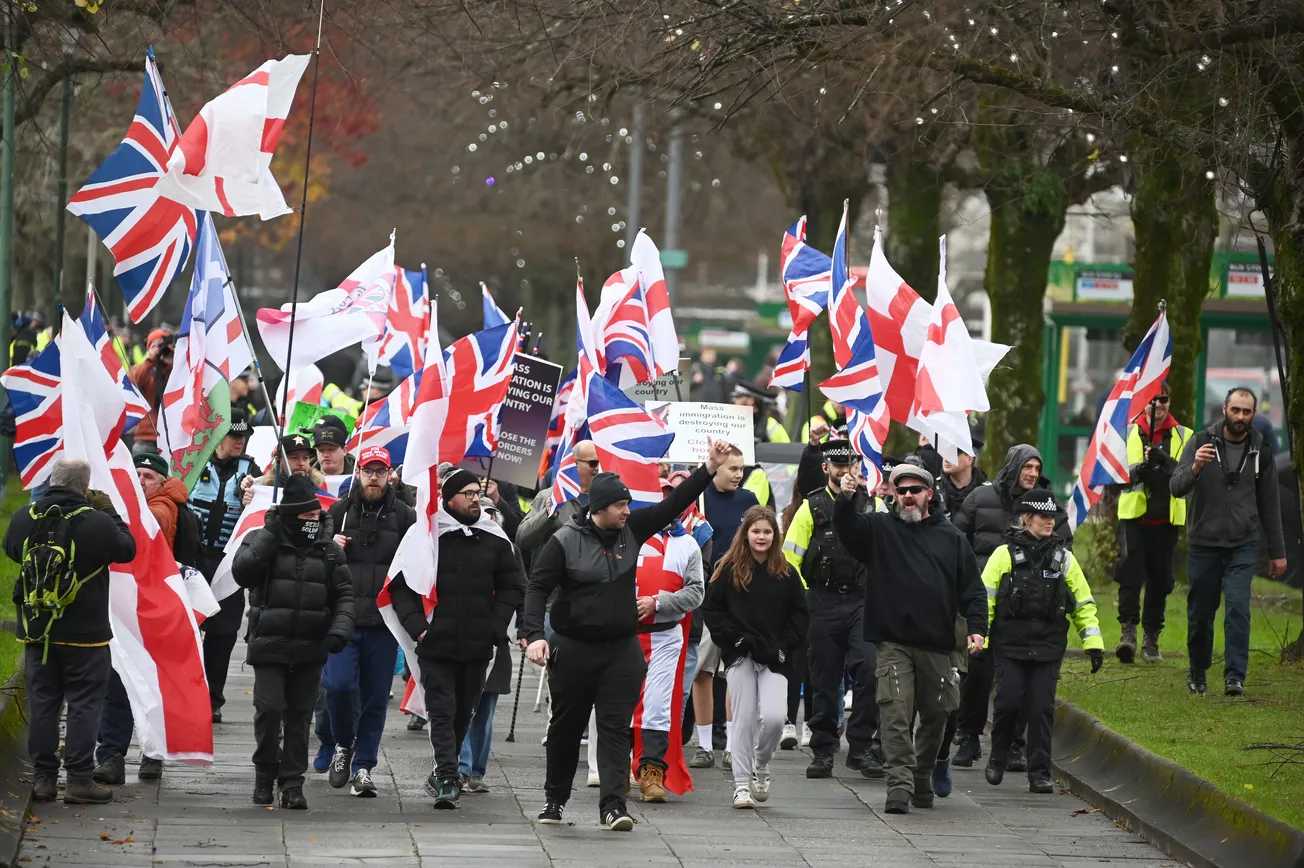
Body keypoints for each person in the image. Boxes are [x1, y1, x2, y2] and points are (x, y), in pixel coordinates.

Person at [522, 440, 731, 832]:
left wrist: (709, 467)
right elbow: (536, 587)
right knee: (565, 728)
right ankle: (555, 799)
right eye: (620, 505)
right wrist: (534, 634)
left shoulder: (631, 529)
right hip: (573, 648)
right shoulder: (564, 540)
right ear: (599, 509)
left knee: (617, 727)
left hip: (621, 649)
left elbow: (672, 505)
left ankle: (613, 806)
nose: (627, 510)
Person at [833, 463, 987, 815]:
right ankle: (898, 786)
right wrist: (846, 497)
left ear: (928, 495)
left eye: (915, 490)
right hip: (893, 644)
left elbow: (973, 591)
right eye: (901, 490)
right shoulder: (878, 529)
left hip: (938, 646)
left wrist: (978, 628)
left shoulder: (951, 538)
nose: (907, 496)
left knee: (937, 716)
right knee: (895, 716)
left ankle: (922, 774)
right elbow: (847, 528)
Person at [386, 468, 525, 809]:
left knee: (465, 711)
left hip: (478, 643)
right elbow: (399, 586)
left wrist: (496, 625)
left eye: (478, 493)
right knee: (442, 710)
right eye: (468, 494)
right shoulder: (427, 537)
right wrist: (418, 627)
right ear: (449, 499)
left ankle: (442, 773)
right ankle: (448, 776)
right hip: (436, 642)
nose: (476, 499)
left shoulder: (494, 538)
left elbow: (513, 584)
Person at [3, 457, 137, 805]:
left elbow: (10, 549)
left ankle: (44, 779)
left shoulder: (24, 519)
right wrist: (108, 511)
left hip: (37, 632)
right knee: (83, 705)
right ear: (84, 486)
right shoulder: (95, 522)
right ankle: (79, 780)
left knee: (44, 704)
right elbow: (127, 549)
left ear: (53, 480)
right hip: (86, 635)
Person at [232, 474, 355, 810]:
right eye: (306, 518)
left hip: (310, 646)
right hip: (269, 643)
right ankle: (264, 772)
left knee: (300, 717)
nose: (313, 523)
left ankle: (292, 782)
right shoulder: (262, 539)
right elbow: (242, 573)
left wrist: (340, 629)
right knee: (269, 710)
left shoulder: (329, 551)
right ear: (290, 516)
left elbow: (344, 594)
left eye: (316, 517)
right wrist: (270, 536)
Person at [950, 444, 1069, 769]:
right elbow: (957, 540)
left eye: (1036, 467)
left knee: (1018, 684)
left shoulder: (1046, 504)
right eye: (1026, 466)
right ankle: (969, 736)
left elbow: (1064, 546)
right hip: (983, 601)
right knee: (977, 673)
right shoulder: (980, 498)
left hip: (1027, 609)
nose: (1031, 473)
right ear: (1013, 466)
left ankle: (1013, 744)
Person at [982, 489, 1104, 792]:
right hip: (1010, 646)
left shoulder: (1064, 559)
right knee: (1008, 704)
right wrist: (980, 640)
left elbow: (1084, 603)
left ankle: (1039, 773)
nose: (1050, 522)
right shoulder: (1003, 555)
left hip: (1048, 648)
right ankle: (998, 756)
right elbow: (985, 601)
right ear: (1027, 519)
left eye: (1053, 517)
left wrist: (1093, 644)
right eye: (1044, 516)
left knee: (1041, 709)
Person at [1170, 387, 1286, 696]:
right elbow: (1175, 487)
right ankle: (1198, 670)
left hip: (1242, 543)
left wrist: (1277, 552)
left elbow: (1269, 504)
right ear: (1225, 409)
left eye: (1247, 412)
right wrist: (1195, 467)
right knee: (1200, 612)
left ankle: (1235, 676)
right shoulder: (1199, 442)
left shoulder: (1260, 450)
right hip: (1203, 542)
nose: (1240, 417)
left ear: (1253, 414)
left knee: (1238, 608)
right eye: (1235, 410)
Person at [781, 439, 881, 780]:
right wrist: (802, 603)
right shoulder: (811, 508)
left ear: (859, 468)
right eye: (838, 466)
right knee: (823, 678)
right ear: (827, 469)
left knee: (870, 668)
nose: (844, 471)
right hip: (822, 601)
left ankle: (862, 747)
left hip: (863, 600)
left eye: (850, 465)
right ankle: (823, 750)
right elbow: (790, 560)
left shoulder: (874, 505)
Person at [322, 446, 416, 797]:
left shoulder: (406, 516)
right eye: (367, 470)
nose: (373, 477)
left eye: (380, 471)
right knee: (338, 687)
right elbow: (318, 560)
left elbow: (415, 567)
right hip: (343, 619)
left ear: (390, 474)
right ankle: (343, 745)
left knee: (376, 698)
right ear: (358, 472)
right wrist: (330, 545)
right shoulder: (339, 511)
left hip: (384, 621)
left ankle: (363, 767)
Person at [93, 452, 191, 786]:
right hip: (123, 611)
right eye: (136, 473)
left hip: (162, 615)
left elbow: (192, 566)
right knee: (117, 683)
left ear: (163, 482)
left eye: (148, 476)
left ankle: (153, 755)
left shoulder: (178, 515)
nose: (140, 480)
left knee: (155, 686)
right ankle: (110, 756)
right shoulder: (115, 514)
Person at [703, 506, 809, 809]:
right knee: (744, 718)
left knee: (776, 718)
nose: (761, 536)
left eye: (767, 531)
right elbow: (713, 609)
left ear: (774, 535)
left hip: (775, 655)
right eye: (756, 531)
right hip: (739, 655)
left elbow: (800, 616)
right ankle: (740, 785)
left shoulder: (786, 572)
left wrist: (784, 646)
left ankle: (761, 764)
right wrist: (732, 639)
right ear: (746, 533)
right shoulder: (728, 568)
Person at [631, 486, 705, 803]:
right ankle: (616, 768)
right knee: (621, 702)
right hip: (624, 635)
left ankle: (652, 772)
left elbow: (695, 593)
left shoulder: (688, 545)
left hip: (665, 635)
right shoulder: (629, 538)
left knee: (659, 705)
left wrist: (658, 602)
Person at [691, 443, 759, 770]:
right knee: (703, 671)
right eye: (732, 468)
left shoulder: (748, 501)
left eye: (741, 468)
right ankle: (704, 745)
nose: (738, 474)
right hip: (706, 596)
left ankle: (732, 744)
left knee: (734, 673)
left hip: (739, 597)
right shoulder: (699, 499)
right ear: (716, 467)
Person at [187, 410, 258, 722]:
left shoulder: (252, 470)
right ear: (218, 437)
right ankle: (186, 689)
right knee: (188, 630)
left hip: (228, 563)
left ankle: (212, 697)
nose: (239, 441)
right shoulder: (193, 463)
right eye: (234, 436)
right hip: (191, 560)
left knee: (223, 633)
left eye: (244, 437)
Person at [1114, 386, 1193, 663]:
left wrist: (1167, 463)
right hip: (1134, 517)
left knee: (1160, 579)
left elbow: (1190, 474)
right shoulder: (1127, 432)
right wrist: (1137, 472)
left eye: (1163, 399)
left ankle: (1151, 638)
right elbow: (1112, 475)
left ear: (1169, 401)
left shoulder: (1185, 435)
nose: (1157, 404)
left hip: (1165, 519)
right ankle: (1128, 633)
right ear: (1143, 403)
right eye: (1152, 399)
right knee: (1130, 573)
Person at [457, 495, 527, 793]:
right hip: (462, 636)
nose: (486, 516)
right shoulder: (456, 544)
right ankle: (459, 767)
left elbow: (523, 589)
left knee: (485, 708)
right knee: (462, 704)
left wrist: (526, 628)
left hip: (497, 640)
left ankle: (476, 771)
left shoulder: (510, 550)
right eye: (481, 511)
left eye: (491, 512)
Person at [518, 439, 600, 551]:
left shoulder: (604, 498)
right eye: (593, 463)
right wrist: (547, 515)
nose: (597, 468)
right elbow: (522, 539)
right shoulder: (550, 497)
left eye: (600, 463)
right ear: (574, 464)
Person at [127, 328, 174, 455]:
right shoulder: (144, 370)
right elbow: (130, 383)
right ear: (148, 348)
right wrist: (150, 360)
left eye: (162, 345)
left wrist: (172, 361)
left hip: (171, 437)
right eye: (154, 345)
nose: (159, 349)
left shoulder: (174, 369)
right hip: (146, 436)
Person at [939, 437, 988, 518]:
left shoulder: (987, 492)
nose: (946, 459)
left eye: (952, 454)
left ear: (969, 459)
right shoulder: (933, 490)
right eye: (944, 453)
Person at [314, 415, 355, 479]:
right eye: (321, 450)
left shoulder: (359, 478)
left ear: (344, 450)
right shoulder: (304, 479)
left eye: (331, 449)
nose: (326, 455)